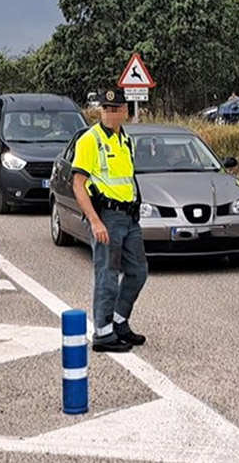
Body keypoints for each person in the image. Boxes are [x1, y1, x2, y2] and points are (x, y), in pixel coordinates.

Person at [70, 89, 148, 353]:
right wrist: (94, 220)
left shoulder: (125, 140)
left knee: (138, 271)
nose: (110, 114)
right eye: (106, 109)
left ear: (125, 111)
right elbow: (78, 184)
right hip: (106, 217)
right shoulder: (90, 140)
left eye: (115, 109)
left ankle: (119, 320)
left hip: (129, 216)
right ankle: (103, 333)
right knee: (107, 275)